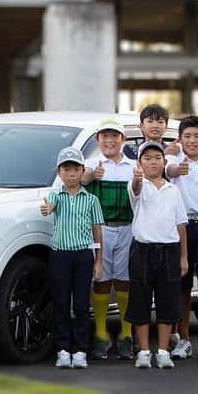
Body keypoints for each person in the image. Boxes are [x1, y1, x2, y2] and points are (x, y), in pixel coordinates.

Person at [41, 147, 105, 369]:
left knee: (80, 305)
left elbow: (97, 230)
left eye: (75, 169)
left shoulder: (91, 200)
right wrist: (47, 209)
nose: (71, 174)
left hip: (83, 256)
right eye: (66, 169)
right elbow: (48, 207)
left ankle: (79, 350)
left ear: (82, 172)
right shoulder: (54, 196)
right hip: (60, 255)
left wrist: (98, 261)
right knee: (60, 303)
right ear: (59, 172)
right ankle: (62, 349)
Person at [126, 141, 188, 370]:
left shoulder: (173, 190)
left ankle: (162, 351)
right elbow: (135, 188)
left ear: (165, 161)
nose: (153, 162)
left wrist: (184, 257)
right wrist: (137, 178)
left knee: (167, 302)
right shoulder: (138, 186)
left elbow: (181, 224)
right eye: (148, 158)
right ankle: (143, 351)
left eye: (157, 158)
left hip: (170, 250)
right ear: (140, 163)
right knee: (140, 301)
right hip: (142, 250)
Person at [81, 117, 136, 361]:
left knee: (124, 281)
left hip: (128, 227)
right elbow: (78, 180)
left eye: (115, 136)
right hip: (100, 229)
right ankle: (101, 334)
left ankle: (126, 334)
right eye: (105, 136)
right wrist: (92, 175)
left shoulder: (133, 166)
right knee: (101, 279)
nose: (110, 140)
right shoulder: (89, 163)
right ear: (97, 139)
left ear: (123, 140)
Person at [165, 115, 198, 360]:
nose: (192, 140)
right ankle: (184, 339)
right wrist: (177, 165)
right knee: (182, 285)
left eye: (197, 136)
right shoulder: (173, 157)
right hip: (183, 226)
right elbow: (169, 169)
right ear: (180, 138)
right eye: (187, 136)